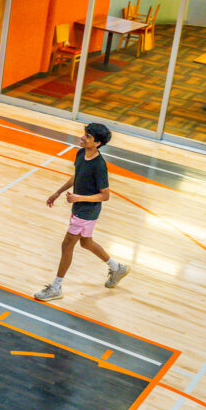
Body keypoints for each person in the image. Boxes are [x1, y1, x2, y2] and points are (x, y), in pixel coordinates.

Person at [35, 123, 129, 302]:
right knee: (86, 243)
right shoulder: (80, 153)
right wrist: (58, 191)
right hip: (80, 207)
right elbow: (77, 175)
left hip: (86, 210)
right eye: (84, 134)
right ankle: (117, 268)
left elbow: (105, 195)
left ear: (98, 143)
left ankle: (56, 287)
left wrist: (79, 198)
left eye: (88, 137)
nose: (83, 138)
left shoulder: (99, 166)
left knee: (67, 244)